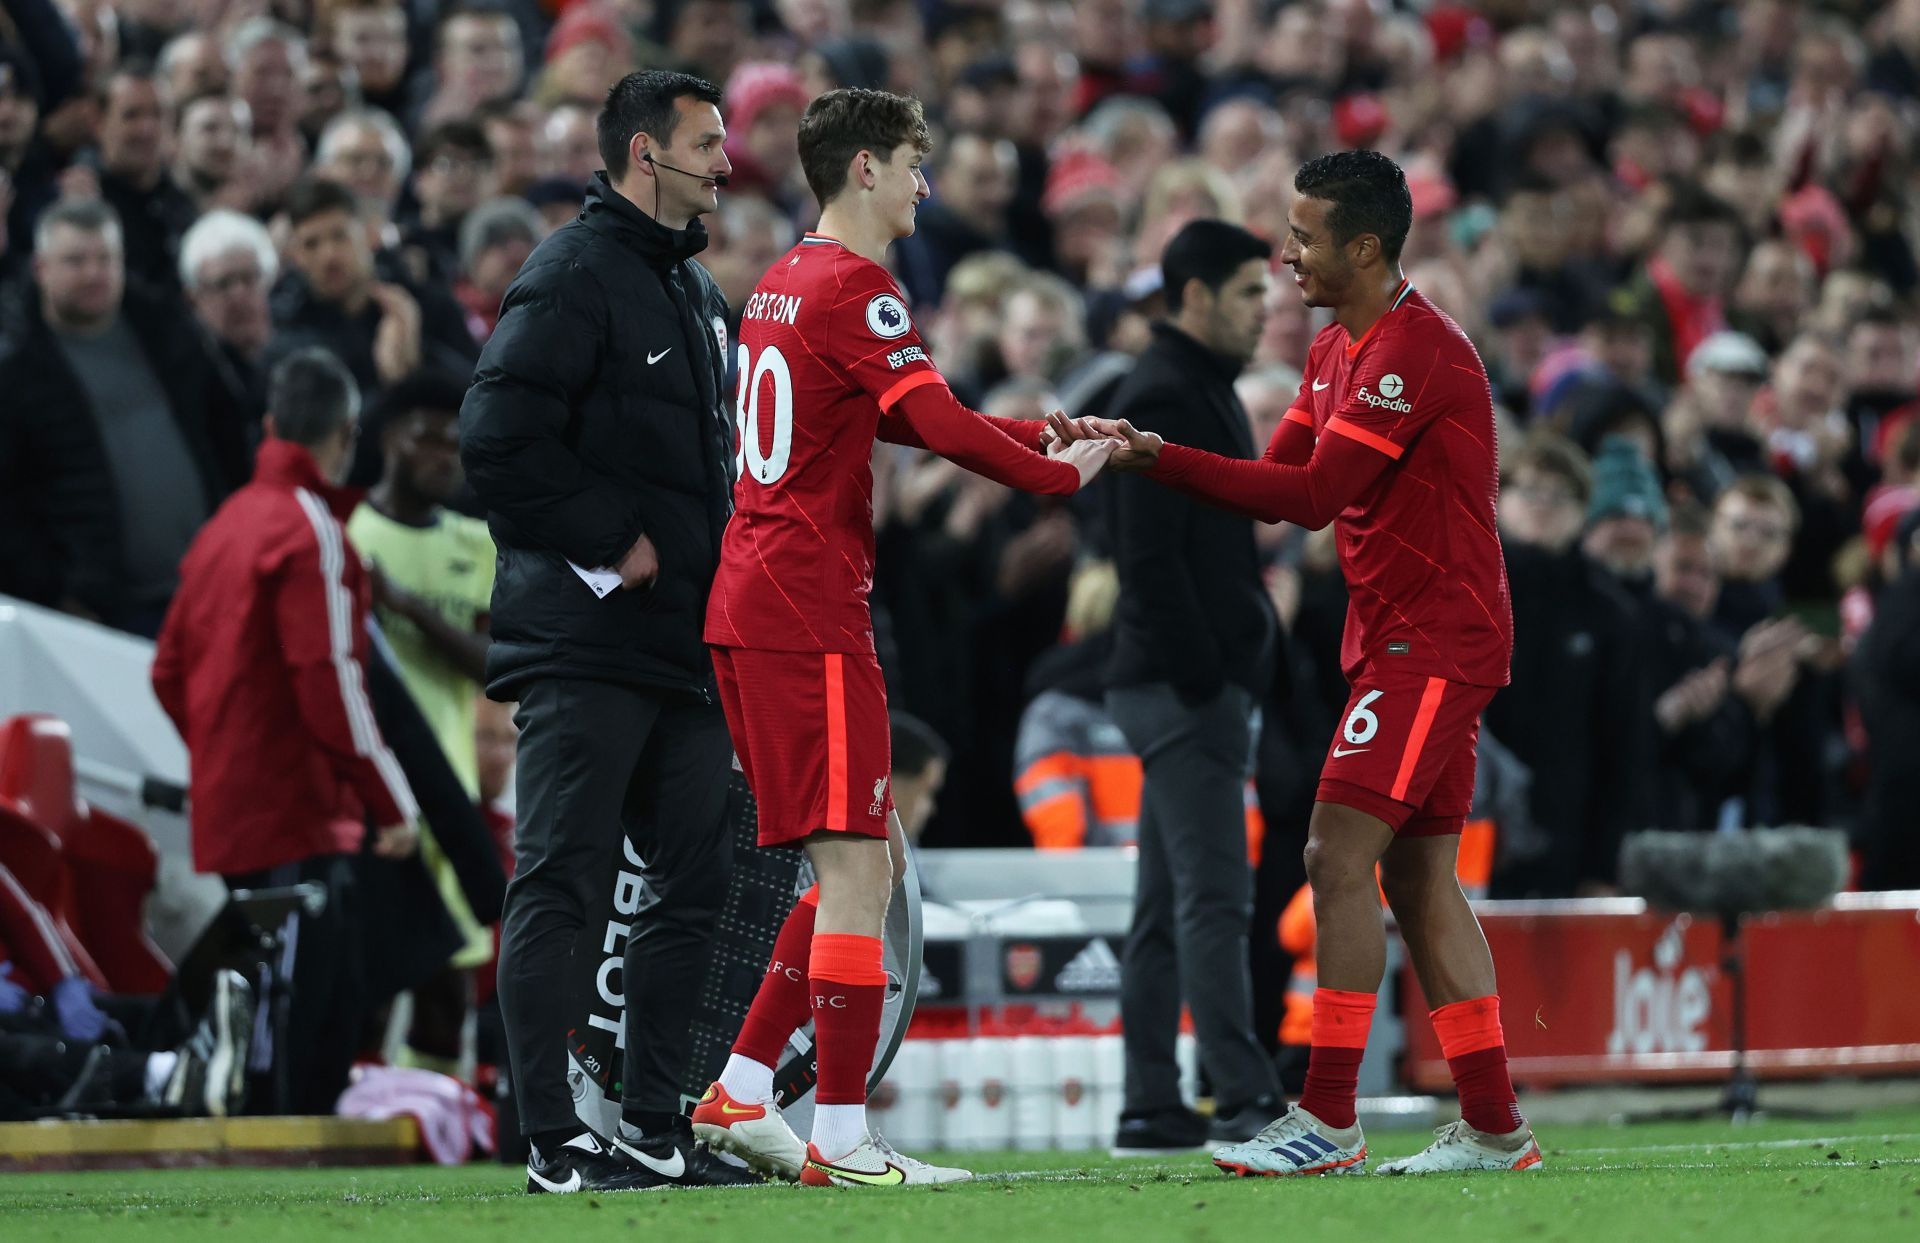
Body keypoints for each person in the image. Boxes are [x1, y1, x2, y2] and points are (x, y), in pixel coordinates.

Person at [1051, 150, 1542, 1177]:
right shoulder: (1333, 352)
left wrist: (1157, 456)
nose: (1287, 253)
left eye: (1305, 235)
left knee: (1332, 855)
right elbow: (1270, 478)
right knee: (1417, 879)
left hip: (1437, 639)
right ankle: (1496, 1125)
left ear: (1365, 247)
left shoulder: (1416, 354)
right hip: (1399, 637)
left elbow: (1313, 497)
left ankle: (1328, 1116)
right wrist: (1139, 450)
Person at [690, 87, 1113, 1189]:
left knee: (853, 865)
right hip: (804, 608)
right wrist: (1049, 478)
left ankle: (741, 1088)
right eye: (917, 164)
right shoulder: (861, 287)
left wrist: (1045, 433)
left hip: (755, 598)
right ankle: (841, 1131)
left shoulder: (783, 282)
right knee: (856, 871)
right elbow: (930, 425)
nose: (925, 184)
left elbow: (894, 412)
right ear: (866, 168)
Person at [458, 69, 750, 1194]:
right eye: (708, 144)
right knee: (565, 881)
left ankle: (650, 1125)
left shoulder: (696, 292)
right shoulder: (573, 272)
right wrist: (607, 539)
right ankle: (549, 1140)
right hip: (586, 644)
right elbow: (495, 438)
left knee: (695, 880)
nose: (727, 163)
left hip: (679, 646)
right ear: (646, 154)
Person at [151, 348, 420, 1115]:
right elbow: (331, 683)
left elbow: (167, 671)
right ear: (346, 432)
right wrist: (392, 800)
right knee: (296, 1019)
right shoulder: (313, 530)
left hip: (232, 802)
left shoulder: (224, 525)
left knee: (253, 996)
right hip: (300, 806)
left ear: (271, 425)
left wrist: (223, 751)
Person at [1102, 217, 1285, 1155]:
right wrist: (1209, 674)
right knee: (1214, 896)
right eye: (1251, 292)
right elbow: (1150, 561)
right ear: (1196, 294)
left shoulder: (1191, 385)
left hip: (1172, 682)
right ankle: (1244, 1089)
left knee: (1168, 903)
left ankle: (1148, 1101)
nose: (1269, 309)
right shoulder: (1169, 388)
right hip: (1180, 689)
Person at [0, 197, 241, 634]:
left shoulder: (166, 328)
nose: (94, 273)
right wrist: (55, 591)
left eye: (105, 258)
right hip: (109, 613)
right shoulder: (15, 370)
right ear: (41, 269)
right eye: (75, 261)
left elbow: (225, 431)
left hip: (213, 583)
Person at [348, 371, 496, 1068]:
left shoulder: (477, 543)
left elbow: (501, 666)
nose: (443, 454)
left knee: (445, 994)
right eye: (426, 438)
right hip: (375, 796)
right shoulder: (349, 533)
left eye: (454, 442)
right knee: (366, 987)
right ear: (388, 441)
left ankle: (432, 1143)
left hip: (453, 795)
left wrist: (409, 607)